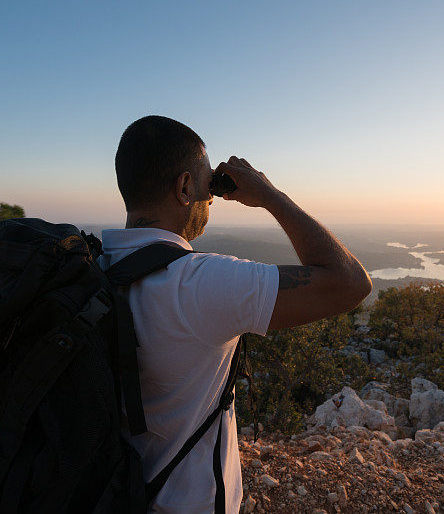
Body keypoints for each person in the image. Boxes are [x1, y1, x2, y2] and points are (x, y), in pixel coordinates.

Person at [98, 115, 372, 513]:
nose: (212, 200)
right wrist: (270, 194)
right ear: (185, 187)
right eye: (210, 185)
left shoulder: (92, 269)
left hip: (110, 495)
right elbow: (350, 283)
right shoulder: (200, 283)